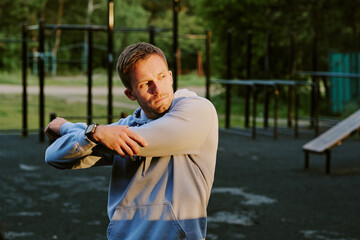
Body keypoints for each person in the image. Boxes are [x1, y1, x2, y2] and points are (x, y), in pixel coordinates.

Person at [45, 42, 218, 240]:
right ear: (130, 94)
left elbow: (138, 140)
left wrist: (72, 128)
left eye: (161, 77)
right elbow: (53, 156)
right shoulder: (126, 126)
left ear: (170, 77)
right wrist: (93, 133)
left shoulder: (197, 111)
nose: (157, 89)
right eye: (145, 83)